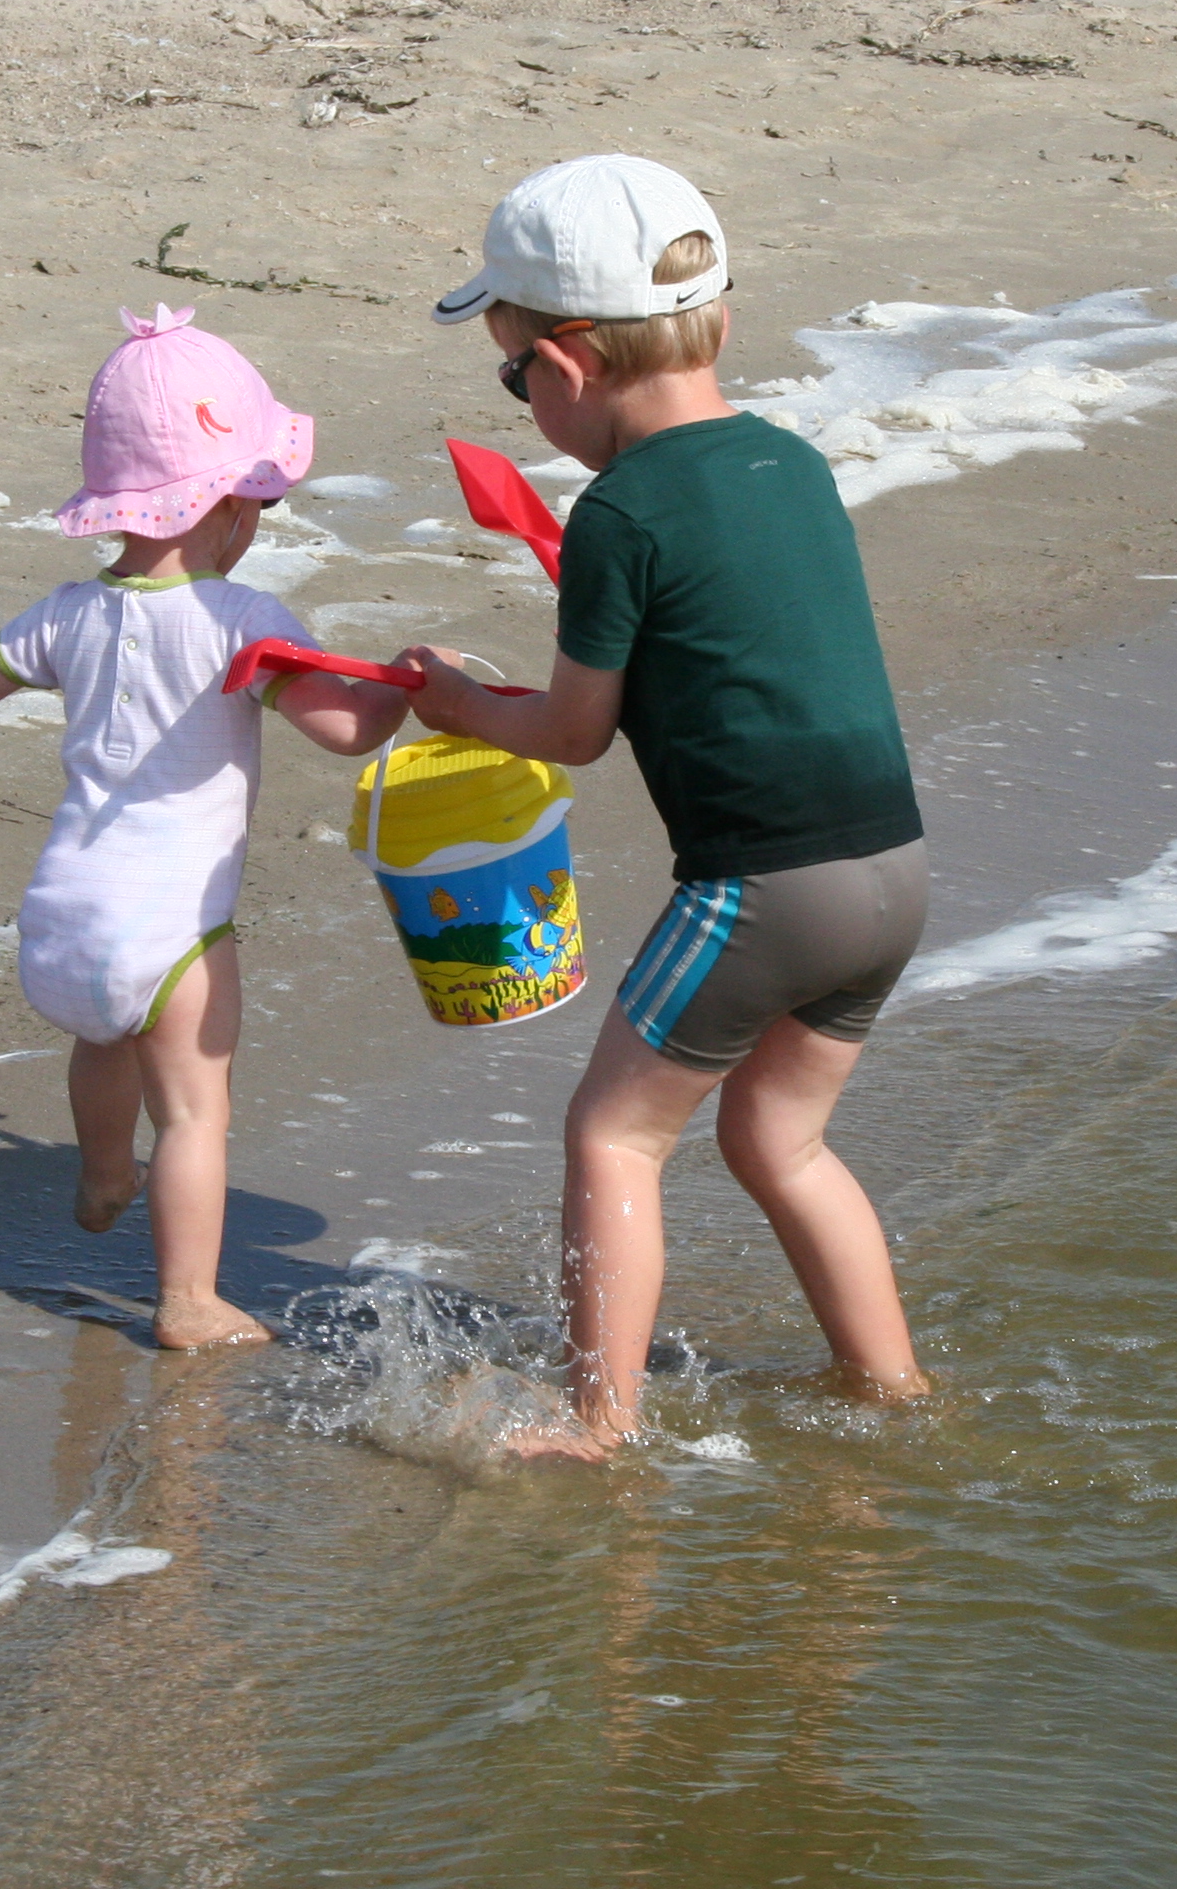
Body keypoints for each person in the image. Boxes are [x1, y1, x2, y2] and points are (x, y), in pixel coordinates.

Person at [397, 155, 933, 1453]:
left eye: (514, 377)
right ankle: (890, 1388)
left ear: (565, 365)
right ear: (718, 325)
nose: (523, 399)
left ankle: (600, 1423)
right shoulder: (792, 464)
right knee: (781, 1141)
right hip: (891, 874)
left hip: (763, 889)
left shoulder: (618, 514)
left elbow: (572, 732)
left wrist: (458, 702)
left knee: (615, 1135)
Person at [0, 306, 407, 1350]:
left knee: (104, 1042)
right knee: (195, 1112)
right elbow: (347, 730)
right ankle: (187, 1301)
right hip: (176, 924)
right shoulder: (244, 621)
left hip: (66, 912)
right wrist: (410, 683)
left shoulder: (64, 613)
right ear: (231, 508)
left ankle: (100, 1176)